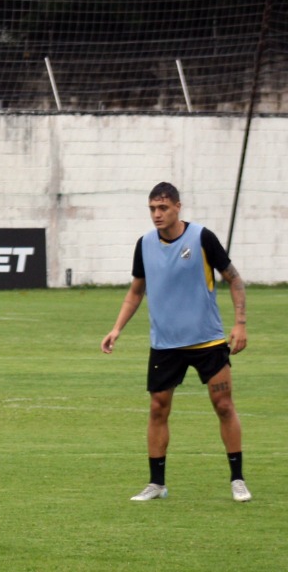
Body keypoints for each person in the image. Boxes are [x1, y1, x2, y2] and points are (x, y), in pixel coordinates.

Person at [101, 182, 250, 503]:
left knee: (224, 406)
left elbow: (234, 279)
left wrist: (240, 323)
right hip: (165, 344)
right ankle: (157, 484)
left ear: (178, 207)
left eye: (163, 208)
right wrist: (116, 329)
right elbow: (136, 291)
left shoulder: (202, 238)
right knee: (157, 409)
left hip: (208, 341)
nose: (157, 214)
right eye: (153, 208)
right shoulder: (144, 245)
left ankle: (237, 479)